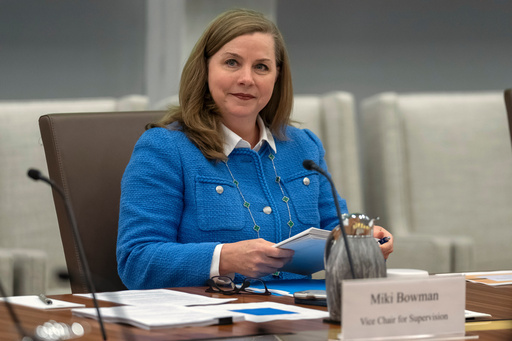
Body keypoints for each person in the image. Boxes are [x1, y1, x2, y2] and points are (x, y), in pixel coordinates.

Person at [117, 8, 393, 289]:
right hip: (214, 320)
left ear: (276, 76)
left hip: (300, 319)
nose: (247, 78)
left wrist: (362, 238)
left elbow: (336, 226)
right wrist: (224, 258)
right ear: (205, 69)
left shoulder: (303, 146)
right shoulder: (165, 148)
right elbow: (136, 261)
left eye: (261, 66)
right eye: (232, 63)